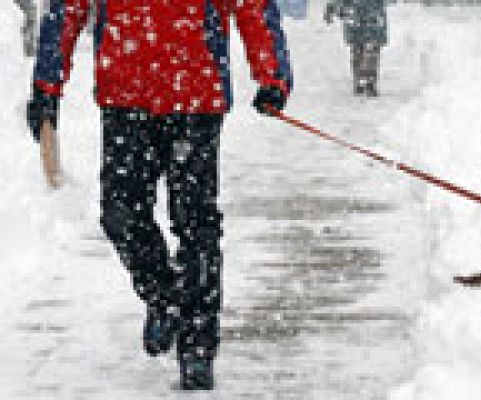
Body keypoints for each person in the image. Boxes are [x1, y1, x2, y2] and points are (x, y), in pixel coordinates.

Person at [26, 0, 292, 391]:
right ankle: (165, 296)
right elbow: (68, 8)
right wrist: (47, 85)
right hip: (125, 95)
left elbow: (253, 5)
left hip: (196, 96)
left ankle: (197, 346)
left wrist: (272, 76)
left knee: (196, 224)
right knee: (120, 214)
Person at [324, 0, 387, 97]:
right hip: (363, 19)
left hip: (366, 19)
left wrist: (332, 8)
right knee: (361, 51)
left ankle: (366, 80)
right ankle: (363, 79)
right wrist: (333, 8)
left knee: (367, 51)